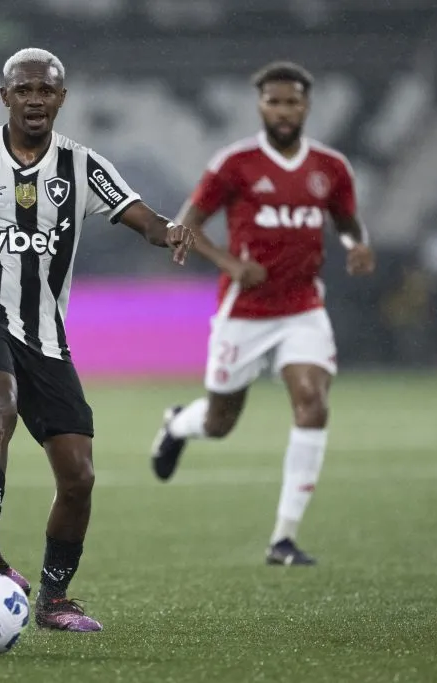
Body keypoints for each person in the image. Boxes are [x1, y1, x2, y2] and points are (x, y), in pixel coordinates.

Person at [0, 47, 197, 632]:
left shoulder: (81, 165)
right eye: (24, 90)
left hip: (43, 331)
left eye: (46, 90)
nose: (35, 100)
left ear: (61, 98)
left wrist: (168, 230)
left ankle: (53, 600)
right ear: (5, 97)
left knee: (79, 474)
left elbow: (137, 213)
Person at [148, 61, 376, 566]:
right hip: (244, 312)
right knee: (220, 420)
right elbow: (187, 222)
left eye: (292, 101)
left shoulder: (331, 168)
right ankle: (177, 424)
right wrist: (231, 263)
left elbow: (346, 219)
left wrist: (357, 244)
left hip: (302, 308)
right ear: (260, 105)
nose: (283, 109)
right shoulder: (236, 163)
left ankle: (283, 539)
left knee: (312, 403)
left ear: (306, 105)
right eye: (274, 101)